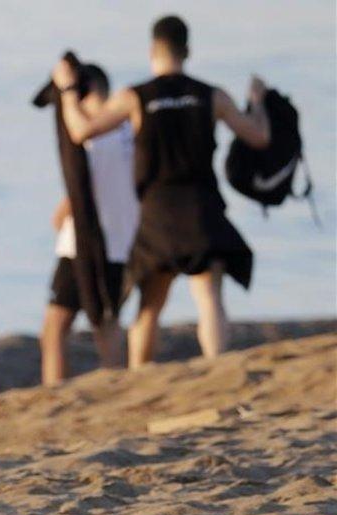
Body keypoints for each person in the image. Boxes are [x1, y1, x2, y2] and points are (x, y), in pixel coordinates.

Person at [53, 15, 270, 366]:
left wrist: (66, 90)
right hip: (201, 207)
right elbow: (259, 137)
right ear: (187, 50)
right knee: (209, 297)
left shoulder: (134, 97)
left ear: (153, 50)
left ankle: (141, 375)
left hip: (156, 213)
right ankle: (217, 368)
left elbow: (82, 131)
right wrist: (257, 101)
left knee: (149, 307)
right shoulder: (210, 95)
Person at [40, 65, 138, 385]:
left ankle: (54, 392)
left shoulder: (95, 133)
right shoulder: (128, 129)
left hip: (82, 242)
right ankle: (116, 383)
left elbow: (81, 187)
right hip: (123, 242)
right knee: (107, 324)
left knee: (55, 328)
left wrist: (59, 215)